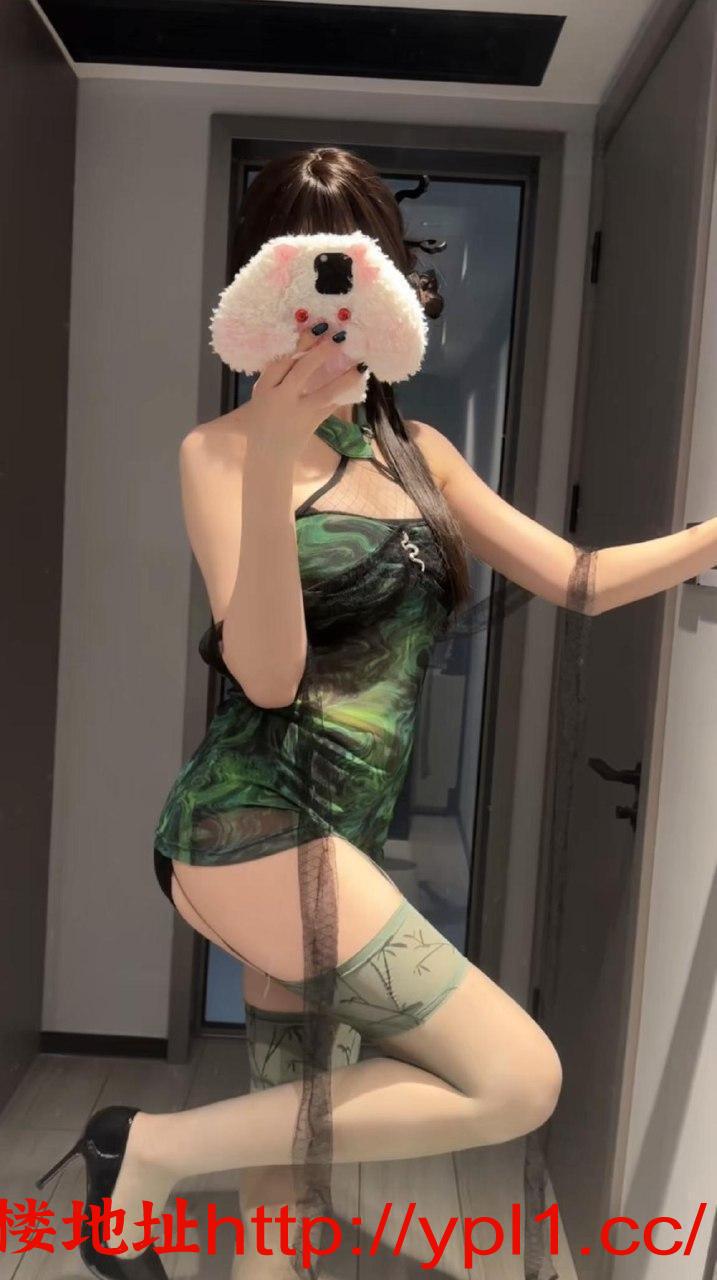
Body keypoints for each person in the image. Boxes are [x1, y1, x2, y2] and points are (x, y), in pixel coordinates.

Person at [37, 146, 717, 1280]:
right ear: (260, 291)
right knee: (518, 1077)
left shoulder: (422, 457)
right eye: (299, 283)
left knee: (292, 1152)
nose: (326, 324)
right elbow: (266, 678)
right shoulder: (217, 453)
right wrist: (269, 461)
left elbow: (582, 578)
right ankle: (141, 1149)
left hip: (340, 837)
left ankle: (162, 1177)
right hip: (247, 825)